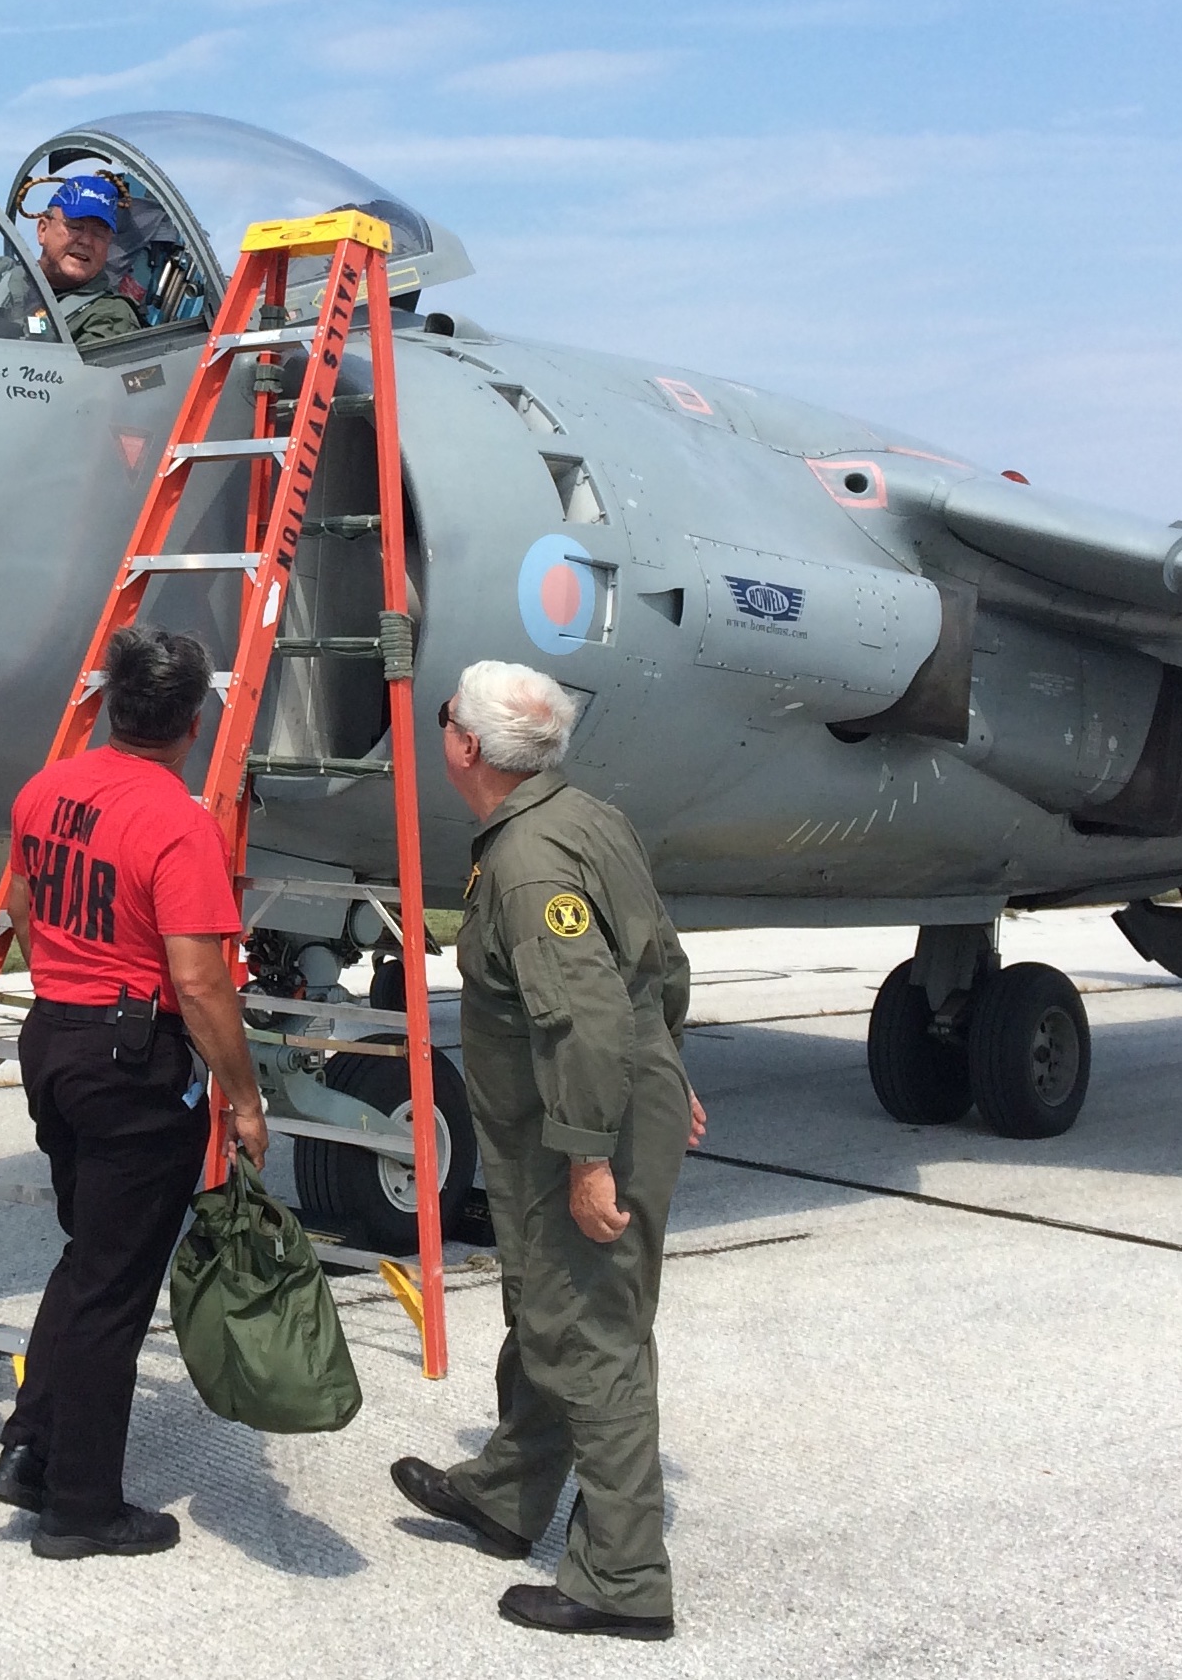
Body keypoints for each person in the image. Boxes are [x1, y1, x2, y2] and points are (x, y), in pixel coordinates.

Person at [389, 659, 705, 1641]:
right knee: (544, 1303)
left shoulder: (528, 862)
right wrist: (671, 1070)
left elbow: (582, 1012)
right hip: (599, 1098)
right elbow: (659, 960)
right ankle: (509, 1492)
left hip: (581, 1116)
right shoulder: (585, 819)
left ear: (467, 749)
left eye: (445, 717)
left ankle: (620, 1574)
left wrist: (588, 1154)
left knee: (594, 1331)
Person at [0, 626, 268, 1558]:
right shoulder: (177, 820)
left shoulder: (44, 790)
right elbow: (200, 981)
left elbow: (20, 905)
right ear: (192, 724)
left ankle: (31, 1445)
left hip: (55, 1037)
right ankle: (82, 1505)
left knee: (88, 1257)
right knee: (116, 1286)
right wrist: (246, 1096)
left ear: (109, 706)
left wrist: (66, 988)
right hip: (130, 1059)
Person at [27, 172, 147, 348]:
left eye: (99, 233)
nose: (87, 241)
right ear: (43, 229)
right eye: (75, 226)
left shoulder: (110, 315)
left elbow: (87, 374)